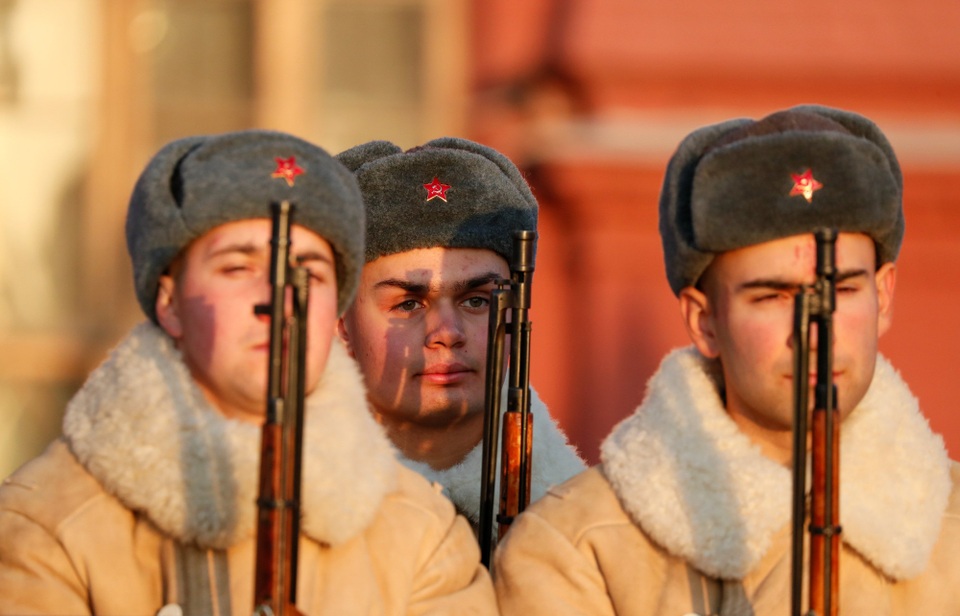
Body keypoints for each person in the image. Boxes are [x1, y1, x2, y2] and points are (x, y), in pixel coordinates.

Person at [0, 130, 497, 615]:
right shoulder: (45, 523)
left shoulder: (420, 532)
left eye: (307, 274)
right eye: (238, 268)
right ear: (170, 302)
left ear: (336, 311)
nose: (276, 300)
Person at [493, 105, 960, 614]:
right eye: (772, 296)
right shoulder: (578, 546)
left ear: (884, 296)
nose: (811, 332)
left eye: (842, 290)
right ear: (704, 321)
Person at [334, 138, 585, 531]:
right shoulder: (285, 514)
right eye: (408, 304)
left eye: (477, 301)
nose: (447, 333)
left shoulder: (586, 528)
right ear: (342, 325)